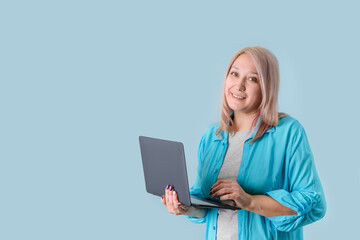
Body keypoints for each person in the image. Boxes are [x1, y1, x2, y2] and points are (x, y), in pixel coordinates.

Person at [160, 46, 326, 239]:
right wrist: (185, 207)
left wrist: (249, 201)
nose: (239, 86)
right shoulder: (212, 137)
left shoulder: (288, 132)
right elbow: (206, 207)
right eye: (234, 74)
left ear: (267, 87)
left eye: (252, 78)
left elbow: (314, 203)